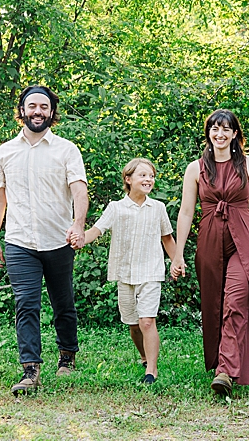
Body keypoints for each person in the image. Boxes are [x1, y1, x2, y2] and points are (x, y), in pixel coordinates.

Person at [0, 85, 88, 396]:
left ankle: (67, 357)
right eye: (32, 106)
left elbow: (79, 190)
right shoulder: (6, 151)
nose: (38, 112)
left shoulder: (66, 149)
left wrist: (78, 224)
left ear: (52, 112)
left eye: (44, 107)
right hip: (19, 242)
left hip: (59, 240)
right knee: (26, 304)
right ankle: (30, 370)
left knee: (63, 303)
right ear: (22, 110)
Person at [172, 110, 249, 397]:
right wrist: (178, 254)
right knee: (215, 302)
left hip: (246, 237)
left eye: (226, 129)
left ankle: (225, 371)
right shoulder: (195, 168)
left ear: (234, 134)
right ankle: (223, 361)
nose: (220, 134)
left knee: (236, 299)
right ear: (208, 134)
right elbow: (187, 211)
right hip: (210, 239)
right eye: (215, 129)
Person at [70, 158, 177, 384]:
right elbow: (97, 230)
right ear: (128, 179)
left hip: (150, 272)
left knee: (147, 321)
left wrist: (177, 261)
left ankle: (152, 371)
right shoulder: (116, 208)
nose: (148, 179)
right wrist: (80, 239)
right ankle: (143, 356)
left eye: (151, 176)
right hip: (125, 273)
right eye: (143, 175)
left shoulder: (158, 208)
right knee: (133, 324)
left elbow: (167, 238)